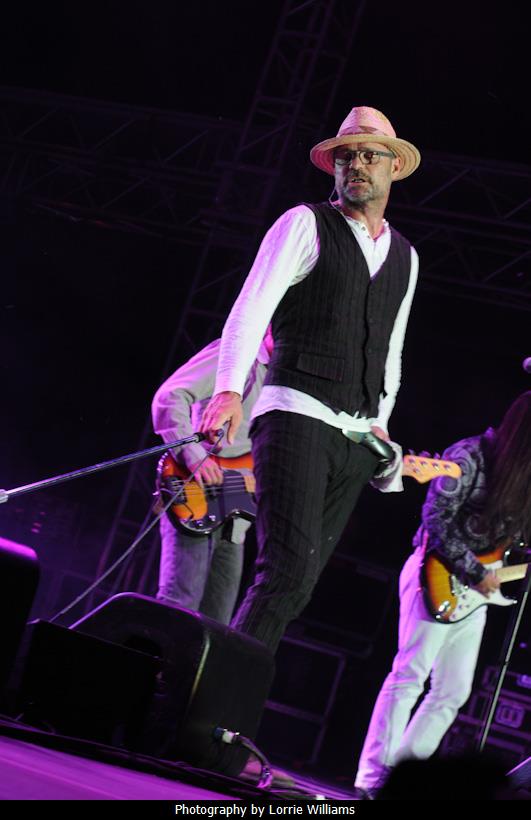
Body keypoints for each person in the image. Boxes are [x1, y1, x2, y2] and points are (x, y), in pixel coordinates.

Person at [200, 106, 421, 651]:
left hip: (355, 436)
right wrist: (228, 389)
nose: (357, 165)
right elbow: (251, 308)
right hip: (295, 412)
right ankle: (220, 698)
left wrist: (381, 423)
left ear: (394, 166)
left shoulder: (405, 256)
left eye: (370, 155)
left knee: (296, 587)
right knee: (286, 571)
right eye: (346, 157)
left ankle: (227, 694)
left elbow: (391, 349)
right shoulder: (304, 224)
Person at [353, 391, 531, 798]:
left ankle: (402, 784)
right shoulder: (469, 455)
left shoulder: (522, 478)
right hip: (435, 574)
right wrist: (475, 572)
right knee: (409, 676)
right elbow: (436, 519)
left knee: (452, 692)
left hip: (475, 594)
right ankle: (372, 779)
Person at [152, 333, 271, 624]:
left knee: (216, 625)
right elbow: (169, 397)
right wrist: (192, 455)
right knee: (178, 608)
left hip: (238, 519)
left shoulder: (286, 385)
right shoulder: (238, 356)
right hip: (198, 495)